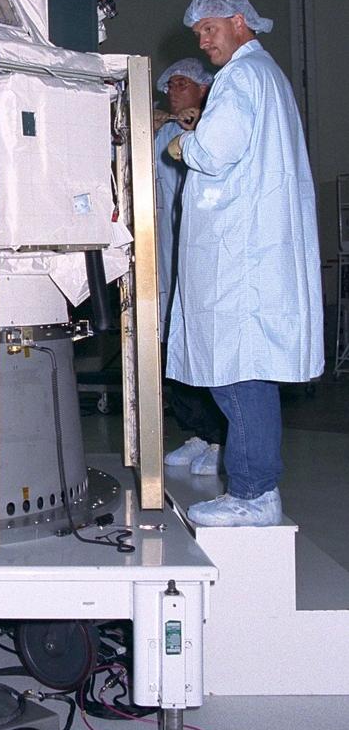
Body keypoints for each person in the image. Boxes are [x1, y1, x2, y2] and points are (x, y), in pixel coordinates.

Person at [166, 0, 323, 526]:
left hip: (241, 257)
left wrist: (180, 144)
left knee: (238, 373)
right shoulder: (266, 77)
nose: (203, 40)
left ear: (239, 21)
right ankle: (256, 488)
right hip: (250, 252)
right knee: (244, 370)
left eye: (209, 28)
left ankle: (254, 493)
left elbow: (214, 151)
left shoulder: (241, 77)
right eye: (198, 33)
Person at [153, 59, 228, 475]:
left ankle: (222, 438)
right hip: (166, 258)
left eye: (182, 83)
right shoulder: (164, 131)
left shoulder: (215, 126)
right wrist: (157, 118)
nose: (173, 90)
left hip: (208, 255)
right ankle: (198, 432)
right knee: (171, 348)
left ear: (203, 89)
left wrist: (196, 124)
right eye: (169, 85)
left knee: (204, 347)